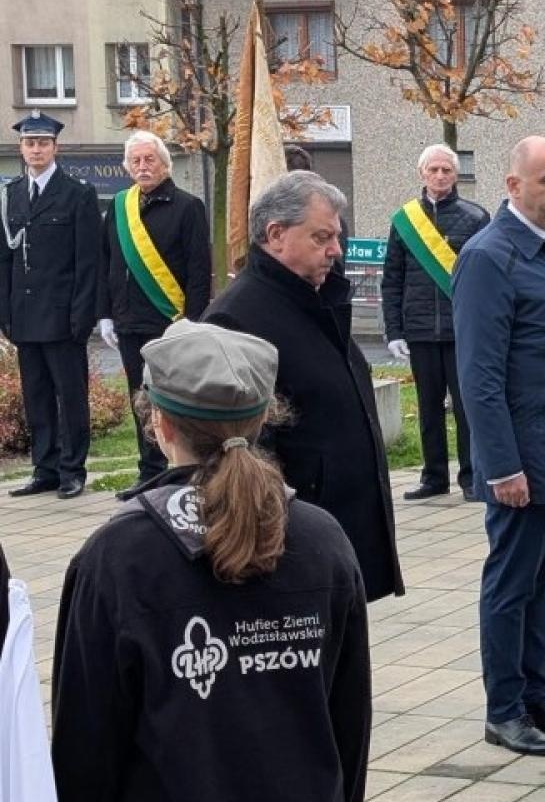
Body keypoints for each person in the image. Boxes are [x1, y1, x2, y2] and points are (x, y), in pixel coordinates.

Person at [50, 320, 370, 802]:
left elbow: (84, 748)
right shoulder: (323, 540)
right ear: (263, 418)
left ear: (159, 424)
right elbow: (350, 728)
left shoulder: (116, 558)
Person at [454, 136, 545, 757]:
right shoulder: (490, 256)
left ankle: (540, 696)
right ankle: (505, 708)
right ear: (513, 186)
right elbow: (479, 377)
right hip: (525, 460)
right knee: (511, 585)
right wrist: (502, 465)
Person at [204, 171, 403, 602]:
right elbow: (242, 453)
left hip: (336, 535)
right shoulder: (237, 318)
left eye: (336, 236)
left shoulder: (316, 299)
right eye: (321, 237)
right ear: (276, 234)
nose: (335, 250)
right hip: (292, 550)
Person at [97, 130, 212, 486]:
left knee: (175, 400)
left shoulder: (188, 206)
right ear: (127, 166)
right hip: (129, 322)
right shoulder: (119, 207)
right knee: (141, 400)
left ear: (165, 164)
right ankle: (148, 472)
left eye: (149, 160)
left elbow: (197, 271)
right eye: (135, 161)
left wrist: (191, 321)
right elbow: (107, 264)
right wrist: (105, 314)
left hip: (170, 322)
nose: (143, 167)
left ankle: (182, 469)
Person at [381, 144, 489, 502]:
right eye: (433, 170)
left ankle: (472, 475)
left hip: (462, 332)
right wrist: (394, 330)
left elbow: (486, 278)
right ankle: (434, 477)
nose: (440, 176)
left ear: (456, 174)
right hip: (420, 330)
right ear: (422, 174)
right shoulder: (404, 221)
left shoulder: (475, 218)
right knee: (428, 407)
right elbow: (392, 279)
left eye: (446, 170)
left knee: (466, 407)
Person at [0, 111, 100, 500]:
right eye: (29, 143)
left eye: (43, 142)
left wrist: (83, 314)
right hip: (24, 315)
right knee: (36, 395)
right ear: (20, 148)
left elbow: (88, 262)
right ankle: (45, 468)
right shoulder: (11, 194)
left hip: (63, 315)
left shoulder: (77, 193)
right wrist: (5, 312)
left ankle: (72, 469)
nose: (36, 149)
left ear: (55, 147)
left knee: (70, 395)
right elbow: (5, 259)